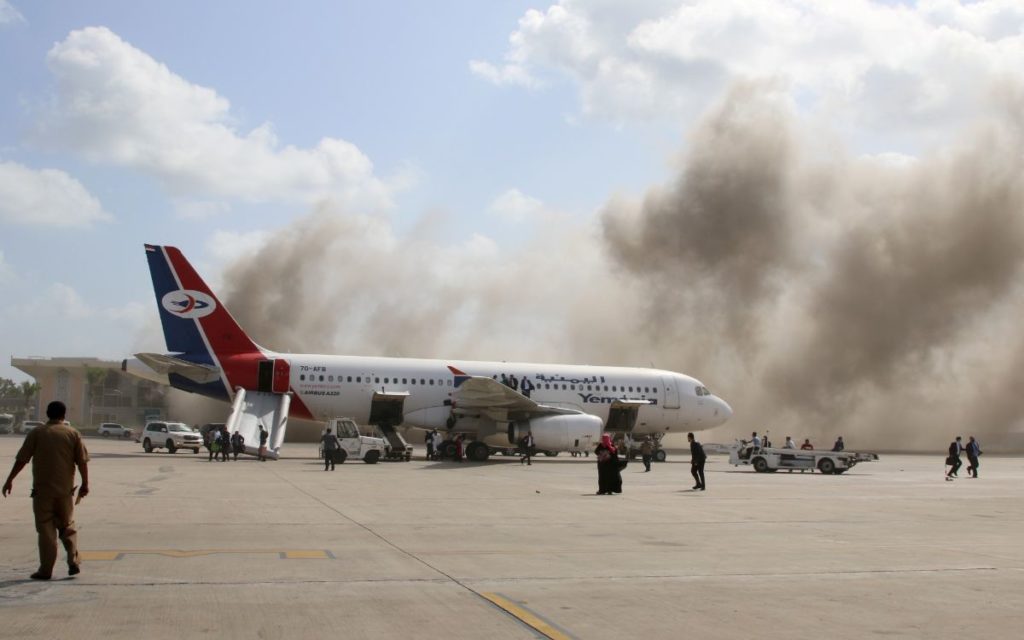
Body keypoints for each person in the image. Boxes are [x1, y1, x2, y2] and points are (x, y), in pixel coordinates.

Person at [2, 401, 89, 580]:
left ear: (47, 414)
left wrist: (10, 479)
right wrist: (85, 484)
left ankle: (46, 569)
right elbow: (82, 461)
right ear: (64, 415)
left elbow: (22, 459)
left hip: (43, 492)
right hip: (65, 491)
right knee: (67, 526)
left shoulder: (37, 433)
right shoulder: (73, 434)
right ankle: (73, 560)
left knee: (45, 529)